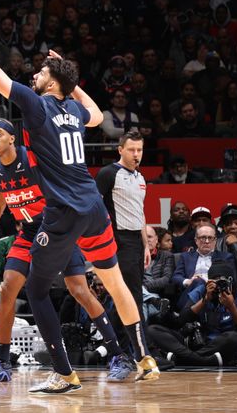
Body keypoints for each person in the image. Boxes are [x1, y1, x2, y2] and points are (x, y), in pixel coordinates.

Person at [0, 0, 158, 393]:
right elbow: (97, 112)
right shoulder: (72, 108)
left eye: (41, 71)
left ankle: (65, 374)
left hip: (65, 211)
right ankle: (144, 357)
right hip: (93, 207)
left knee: (34, 288)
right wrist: (69, 80)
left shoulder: (38, 104)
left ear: (51, 83)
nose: (34, 74)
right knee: (114, 282)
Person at [0, 119, 130, 383]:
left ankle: (118, 355)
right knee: (8, 289)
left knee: (79, 291)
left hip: (56, 230)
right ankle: (2, 362)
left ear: (12, 138)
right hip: (28, 233)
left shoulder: (32, 161)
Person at [148, 260, 237, 366]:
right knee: (152, 330)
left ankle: (184, 360)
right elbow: (181, 321)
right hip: (196, 341)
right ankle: (202, 361)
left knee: (234, 338)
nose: (218, 285)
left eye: (223, 282)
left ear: (231, 282)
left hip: (219, 346)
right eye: (215, 281)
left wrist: (231, 306)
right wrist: (205, 300)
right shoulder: (201, 291)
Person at [95, 132, 149, 335]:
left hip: (136, 241)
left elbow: (140, 212)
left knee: (128, 296)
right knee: (132, 296)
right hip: (119, 239)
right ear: (120, 150)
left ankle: (113, 348)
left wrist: (145, 245)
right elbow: (94, 206)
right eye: (131, 150)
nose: (136, 154)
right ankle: (144, 350)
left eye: (139, 150)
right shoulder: (108, 173)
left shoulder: (140, 177)